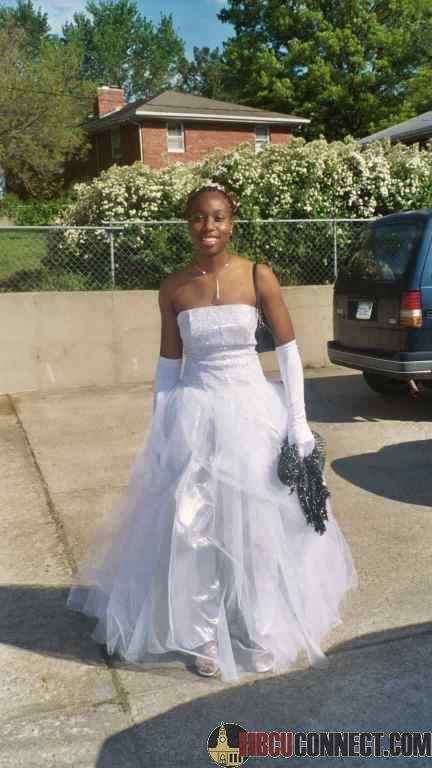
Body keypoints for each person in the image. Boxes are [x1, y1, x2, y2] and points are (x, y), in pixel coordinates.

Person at [66, 183, 357, 682]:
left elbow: (288, 352)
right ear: (188, 224)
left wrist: (298, 421)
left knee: (259, 530)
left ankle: (260, 628)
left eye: (218, 217)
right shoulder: (173, 288)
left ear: (232, 221)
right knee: (193, 531)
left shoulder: (258, 275)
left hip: (252, 415)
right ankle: (201, 635)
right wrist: (161, 429)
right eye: (199, 217)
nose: (209, 226)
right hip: (195, 416)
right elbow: (168, 365)